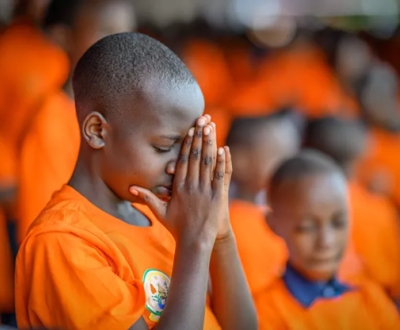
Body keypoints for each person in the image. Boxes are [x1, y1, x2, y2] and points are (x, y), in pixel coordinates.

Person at [15, 32, 257, 330]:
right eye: (163, 147)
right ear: (97, 131)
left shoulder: (160, 217)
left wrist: (219, 234)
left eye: (187, 147)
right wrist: (195, 242)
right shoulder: (62, 242)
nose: (178, 166)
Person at [16, 0, 135, 243]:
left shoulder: (125, 112)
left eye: (127, 33)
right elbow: (43, 230)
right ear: (64, 38)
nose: (121, 45)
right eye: (105, 31)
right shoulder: (50, 121)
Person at [255, 150, 400, 329]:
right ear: (273, 224)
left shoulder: (369, 297)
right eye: (307, 228)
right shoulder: (266, 311)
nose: (326, 241)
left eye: (338, 223)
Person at [303, 116, 400, 301]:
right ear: (361, 155)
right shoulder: (377, 208)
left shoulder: (300, 207)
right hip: (374, 308)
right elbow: (392, 280)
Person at [226, 112, 300, 294]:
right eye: (277, 156)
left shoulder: (280, 214)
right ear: (240, 161)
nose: (290, 166)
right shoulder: (230, 225)